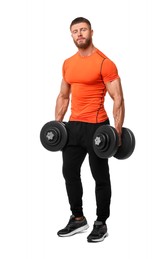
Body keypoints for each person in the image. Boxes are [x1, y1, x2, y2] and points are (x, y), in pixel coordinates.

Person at [55, 17, 125, 242]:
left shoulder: (105, 62)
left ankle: (100, 222)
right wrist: (57, 126)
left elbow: (118, 98)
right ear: (72, 35)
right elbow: (64, 96)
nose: (79, 34)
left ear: (91, 32)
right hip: (73, 127)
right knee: (69, 172)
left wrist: (118, 131)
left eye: (83, 29)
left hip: (97, 128)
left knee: (100, 176)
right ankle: (77, 218)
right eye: (75, 31)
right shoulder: (68, 63)